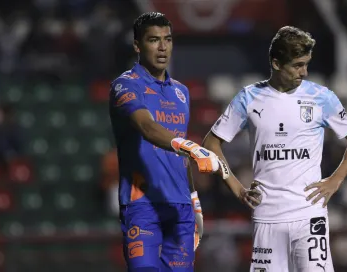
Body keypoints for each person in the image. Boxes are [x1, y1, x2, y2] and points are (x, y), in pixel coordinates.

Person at [203, 26, 347, 272]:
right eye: (297, 65)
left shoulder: (322, 97)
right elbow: (211, 144)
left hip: (310, 215)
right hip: (267, 216)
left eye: (306, 64)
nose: (305, 72)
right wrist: (237, 188)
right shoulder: (249, 98)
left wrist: (336, 179)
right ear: (276, 63)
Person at [108, 12, 260, 272]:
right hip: (143, 205)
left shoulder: (181, 92)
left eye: (167, 39)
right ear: (137, 45)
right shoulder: (125, 86)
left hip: (181, 209)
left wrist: (194, 200)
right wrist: (189, 146)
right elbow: (147, 127)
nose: (162, 47)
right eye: (154, 40)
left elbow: (179, 158)